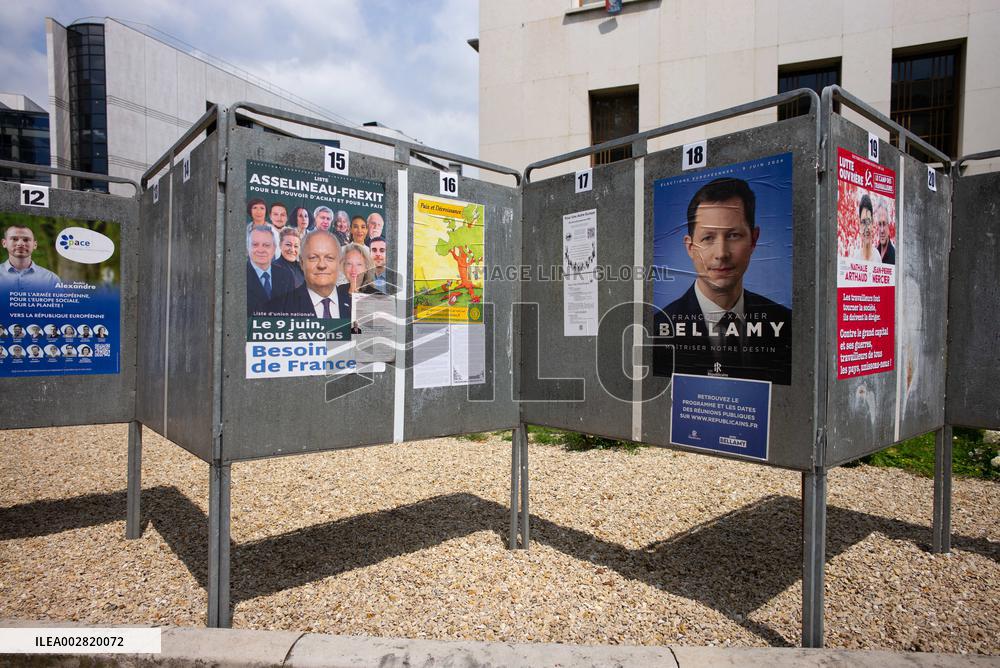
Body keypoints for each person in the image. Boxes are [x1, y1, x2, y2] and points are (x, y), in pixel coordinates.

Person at [653, 177, 792, 384]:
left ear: (753, 240)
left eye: (734, 235)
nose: (721, 253)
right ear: (690, 247)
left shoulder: (788, 324)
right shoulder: (657, 330)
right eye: (708, 238)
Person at [262, 230, 351, 320]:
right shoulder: (277, 310)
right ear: (301, 263)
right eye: (313, 258)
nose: (322, 265)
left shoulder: (358, 306)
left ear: (340, 263)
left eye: (329, 258)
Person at [246, 225, 295, 316]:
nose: (261, 250)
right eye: (255, 245)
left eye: (266, 245)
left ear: (274, 249)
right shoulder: (238, 275)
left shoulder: (287, 275)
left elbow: (292, 313)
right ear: (247, 248)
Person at [1, 225, 62, 291]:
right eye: (14, 239)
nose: (20, 244)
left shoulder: (51, 279)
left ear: (35, 245)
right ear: (4, 243)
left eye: (26, 240)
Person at [854, 194, 878, 262]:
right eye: (863, 222)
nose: (866, 228)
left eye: (868, 221)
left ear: (872, 223)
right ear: (859, 225)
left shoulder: (877, 257)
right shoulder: (855, 258)